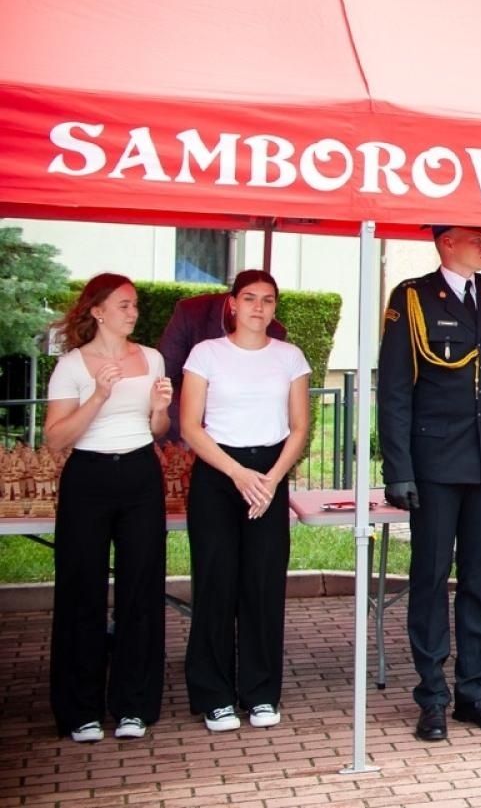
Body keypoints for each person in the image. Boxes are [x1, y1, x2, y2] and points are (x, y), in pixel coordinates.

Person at [377, 225, 481, 741]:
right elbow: (396, 390)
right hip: (436, 463)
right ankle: (432, 695)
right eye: (476, 237)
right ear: (447, 242)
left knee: (478, 581)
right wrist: (398, 469)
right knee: (429, 580)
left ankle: (474, 693)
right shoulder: (413, 298)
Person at [179, 270, 311, 732]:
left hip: (269, 477)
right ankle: (214, 694)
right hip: (219, 474)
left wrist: (270, 480)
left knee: (263, 586)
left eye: (268, 300)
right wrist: (237, 474)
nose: (259, 307)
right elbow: (191, 426)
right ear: (232, 304)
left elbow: (299, 427)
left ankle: (260, 693)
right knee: (216, 584)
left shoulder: (289, 357)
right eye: (250, 298)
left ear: (276, 307)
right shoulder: (206, 354)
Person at [43, 273, 172, 742]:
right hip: (89, 477)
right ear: (97, 311)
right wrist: (98, 394)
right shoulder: (73, 366)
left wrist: (160, 409)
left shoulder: (152, 357)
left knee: (141, 589)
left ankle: (134, 705)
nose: (133, 312)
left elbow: (157, 430)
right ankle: (81, 711)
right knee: (82, 590)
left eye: (135, 304)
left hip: (140, 473)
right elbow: (55, 438)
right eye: (123, 305)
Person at [158, 291, 286, 443]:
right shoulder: (192, 312)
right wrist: (197, 426)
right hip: (186, 432)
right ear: (233, 304)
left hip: (244, 435)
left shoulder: (274, 332)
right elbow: (164, 376)